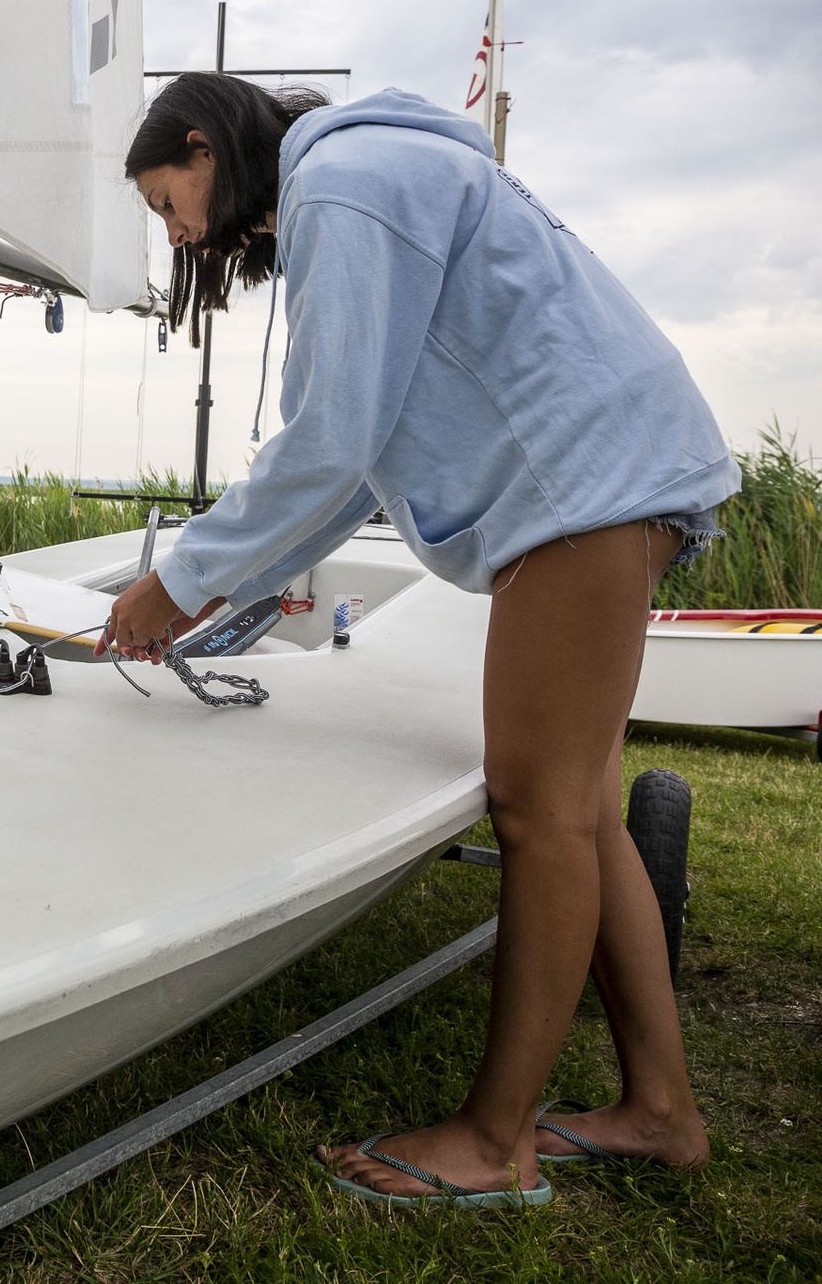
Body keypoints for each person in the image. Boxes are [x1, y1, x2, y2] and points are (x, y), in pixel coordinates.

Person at [106, 75, 734, 1206]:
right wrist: (211, 577)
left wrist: (178, 580)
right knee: (583, 806)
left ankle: (495, 1144)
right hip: (615, 468)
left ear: (203, 147)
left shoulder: (342, 188)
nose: (176, 231)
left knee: (537, 812)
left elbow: (333, 441)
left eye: (166, 201)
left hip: (583, 485)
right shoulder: (372, 173)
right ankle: (660, 1112)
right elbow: (360, 452)